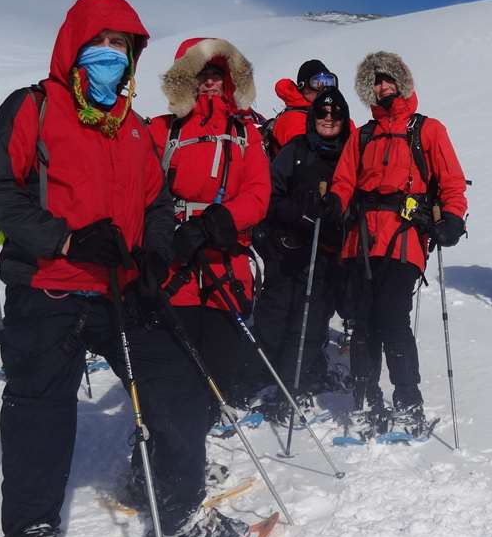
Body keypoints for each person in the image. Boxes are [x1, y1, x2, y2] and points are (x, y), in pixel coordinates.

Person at [0, 0, 212, 537]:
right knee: (39, 418)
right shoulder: (33, 107)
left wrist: (156, 250)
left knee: (181, 387)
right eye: (99, 43)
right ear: (73, 47)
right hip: (48, 286)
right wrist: (67, 238)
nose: (111, 56)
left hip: (120, 289)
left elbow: (158, 203)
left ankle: (182, 510)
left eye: (122, 46)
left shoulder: (134, 129)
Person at [328, 51, 468, 435]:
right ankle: (365, 400)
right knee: (361, 322)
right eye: (375, 81)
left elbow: (451, 180)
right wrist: (335, 203)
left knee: (391, 317)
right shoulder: (363, 135)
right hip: (361, 239)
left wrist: (453, 216)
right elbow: (344, 179)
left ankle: (408, 402)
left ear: (402, 83)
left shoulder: (427, 130)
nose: (382, 86)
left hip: (404, 238)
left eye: (388, 79)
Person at [149, 36, 272, 426]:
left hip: (225, 259)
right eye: (200, 74)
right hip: (175, 260)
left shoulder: (245, 133)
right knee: (176, 357)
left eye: (217, 74)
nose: (209, 82)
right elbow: (142, 190)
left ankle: (210, 423)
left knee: (220, 352)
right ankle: (171, 437)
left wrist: (220, 222)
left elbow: (258, 192)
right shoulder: (162, 131)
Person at [251, 87, 353, 420]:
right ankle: (269, 374)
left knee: (311, 318)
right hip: (288, 248)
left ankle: (300, 380)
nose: (327, 119)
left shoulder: (350, 155)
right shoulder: (295, 151)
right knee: (275, 315)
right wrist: (295, 212)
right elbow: (270, 193)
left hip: (326, 252)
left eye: (334, 114)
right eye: (322, 113)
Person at [265, 59, 340, 154]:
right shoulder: (293, 119)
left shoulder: (336, 114)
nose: (325, 89)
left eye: (329, 82)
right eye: (318, 84)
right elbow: (309, 159)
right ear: (303, 87)